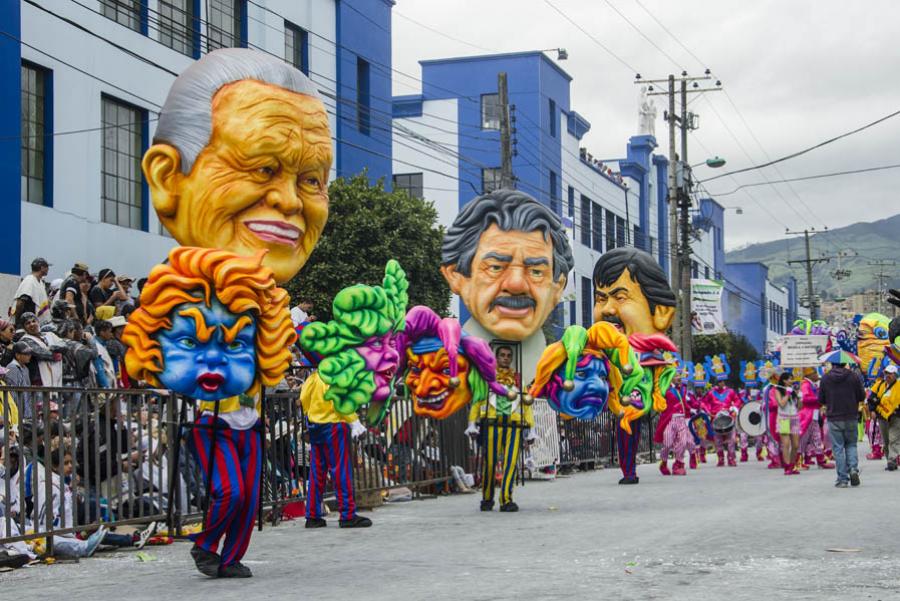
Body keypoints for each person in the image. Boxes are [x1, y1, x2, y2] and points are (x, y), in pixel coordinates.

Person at [123, 247, 294, 578]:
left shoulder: (255, 334)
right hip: (213, 425)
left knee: (249, 500)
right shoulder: (210, 321)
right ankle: (205, 544)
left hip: (251, 427)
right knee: (230, 491)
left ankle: (230, 559)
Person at [143, 48, 332, 284]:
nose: (290, 201)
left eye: (312, 180)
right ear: (166, 177)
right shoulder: (171, 309)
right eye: (263, 169)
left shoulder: (271, 315)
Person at [593, 247, 677, 484]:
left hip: (636, 403)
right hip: (618, 402)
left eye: (620, 297)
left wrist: (656, 393)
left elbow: (661, 375)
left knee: (629, 427)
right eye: (601, 298)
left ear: (661, 312)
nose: (608, 309)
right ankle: (628, 469)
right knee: (623, 431)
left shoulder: (651, 355)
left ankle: (630, 470)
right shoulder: (602, 351)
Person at [819, 361, 866, 488]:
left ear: (833, 364)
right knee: (851, 444)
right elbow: (862, 396)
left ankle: (842, 479)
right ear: (845, 362)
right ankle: (853, 470)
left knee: (838, 448)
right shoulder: (853, 376)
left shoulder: (826, 378)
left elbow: (821, 399)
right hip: (851, 416)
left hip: (834, 417)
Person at [656, 369, 692, 476]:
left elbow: (684, 404)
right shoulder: (665, 390)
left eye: (679, 376)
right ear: (671, 377)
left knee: (683, 442)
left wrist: (690, 412)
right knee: (667, 443)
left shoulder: (683, 389)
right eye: (676, 376)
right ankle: (663, 462)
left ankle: (678, 465)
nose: (679, 378)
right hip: (670, 420)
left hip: (681, 419)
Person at [701, 375, 742, 467]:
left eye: (723, 381)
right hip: (716, 418)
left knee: (731, 439)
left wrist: (734, 408)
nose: (721, 383)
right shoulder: (711, 393)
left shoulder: (730, 391)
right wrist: (708, 412)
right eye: (719, 381)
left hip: (728, 417)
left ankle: (731, 458)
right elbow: (704, 403)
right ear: (716, 382)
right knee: (718, 441)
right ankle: (721, 459)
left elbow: (737, 400)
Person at [798, 368, 834, 470]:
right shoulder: (805, 384)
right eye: (815, 373)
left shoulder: (811, 384)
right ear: (810, 374)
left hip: (813, 414)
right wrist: (819, 398)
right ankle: (798, 461)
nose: (817, 375)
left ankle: (821, 460)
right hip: (807, 415)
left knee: (817, 437)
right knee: (803, 439)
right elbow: (805, 398)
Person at [19, 312, 63, 387]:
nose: (32, 324)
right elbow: (40, 352)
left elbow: (64, 345)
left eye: (33, 321)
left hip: (55, 378)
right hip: (38, 382)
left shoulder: (49, 335)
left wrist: (52, 348)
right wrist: (54, 354)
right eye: (28, 323)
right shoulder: (25, 340)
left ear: (38, 322)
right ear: (24, 328)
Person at [870, 363, 900, 470]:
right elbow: (871, 399)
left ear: (895, 375)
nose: (887, 375)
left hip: (896, 417)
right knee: (886, 441)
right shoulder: (878, 385)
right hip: (882, 417)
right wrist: (872, 410)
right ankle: (890, 461)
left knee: (894, 439)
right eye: (886, 373)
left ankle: (892, 459)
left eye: (890, 374)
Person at [773, 371, 801, 476]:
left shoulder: (793, 391)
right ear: (784, 380)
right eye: (789, 379)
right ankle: (787, 466)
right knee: (786, 444)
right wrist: (787, 394)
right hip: (783, 419)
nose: (791, 381)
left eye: (792, 379)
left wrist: (799, 397)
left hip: (794, 418)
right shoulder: (778, 390)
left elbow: (799, 407)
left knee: (796, 445)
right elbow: (781, 404)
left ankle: (793, 465)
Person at [12, 257, 51, 327]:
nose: (48, 269)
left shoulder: (40, 282)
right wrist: (18, 323)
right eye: (47, 267)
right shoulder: (29, 280)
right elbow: (20, 303)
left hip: (34, 323)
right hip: (26, 323)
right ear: (42, 268)